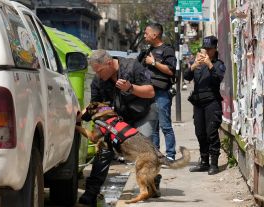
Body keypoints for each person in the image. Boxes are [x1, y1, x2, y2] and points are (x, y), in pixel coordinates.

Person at [78, 49, 159, 205]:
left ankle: (151, 182)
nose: (98, 75)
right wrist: (78, 117)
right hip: (118, 121)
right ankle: (92, 191)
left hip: (143, 113)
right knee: (104, 151)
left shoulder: (132, 66)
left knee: (145, 149)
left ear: (109, 63)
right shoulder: (98, 80)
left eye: (99, 71)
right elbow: (94, 106)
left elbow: (150, 92)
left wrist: (130, 88)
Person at [184, 36, 226, 175]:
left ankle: (214, 164)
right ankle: (204, 162)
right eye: (205, 48)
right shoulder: (198, 64)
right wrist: (193, 65)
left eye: (209, 49)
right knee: (200, 133)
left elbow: (217, 78)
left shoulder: (218, 64)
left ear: (214, 49)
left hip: (212, 102)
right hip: (198, 103)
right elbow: (186, 77)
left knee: (211, 133)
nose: (206, 51)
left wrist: (209, 64)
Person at [140, 23, 177, 160]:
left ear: (155, 35)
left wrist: (154, 63)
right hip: (148, 92)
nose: (144, 35)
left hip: (162, 92)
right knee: (153, 126)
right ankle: (156, 155)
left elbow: (170, 71)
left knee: (165, 125)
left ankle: (171, 155)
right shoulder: (147, 51)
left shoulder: (167, 50)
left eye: (146, 33)